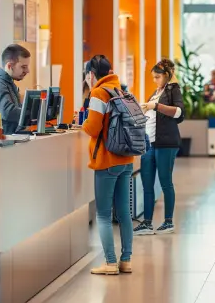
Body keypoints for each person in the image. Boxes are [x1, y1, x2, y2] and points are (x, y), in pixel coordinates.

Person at [81, 54, 135, 275]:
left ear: (91, 74)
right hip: (127, 159)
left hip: (106, 160)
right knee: (124, 212)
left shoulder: (98, 93)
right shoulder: (121, 90)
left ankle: (110, 263)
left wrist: (82, 122)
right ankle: (126, 261)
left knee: (103, 214)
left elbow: (93, 128)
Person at [134, 59, 184, 236]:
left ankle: (168, 221)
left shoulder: (173, 90)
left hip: (166, 143)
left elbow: (179, 113)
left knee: (165, 181)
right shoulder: (155, 92)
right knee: (147, 184)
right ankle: (147, 223)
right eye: (153, 77)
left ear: (167, 76)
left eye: (157, 77)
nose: (154, 80)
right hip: (149, 144)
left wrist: (155, 106)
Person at [0, 44, 31, 134]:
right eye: (23, 67)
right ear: (9, 66)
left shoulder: (7, 82)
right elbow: (7, 112)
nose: (27, 71)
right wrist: (33, 114)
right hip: (4, 142)